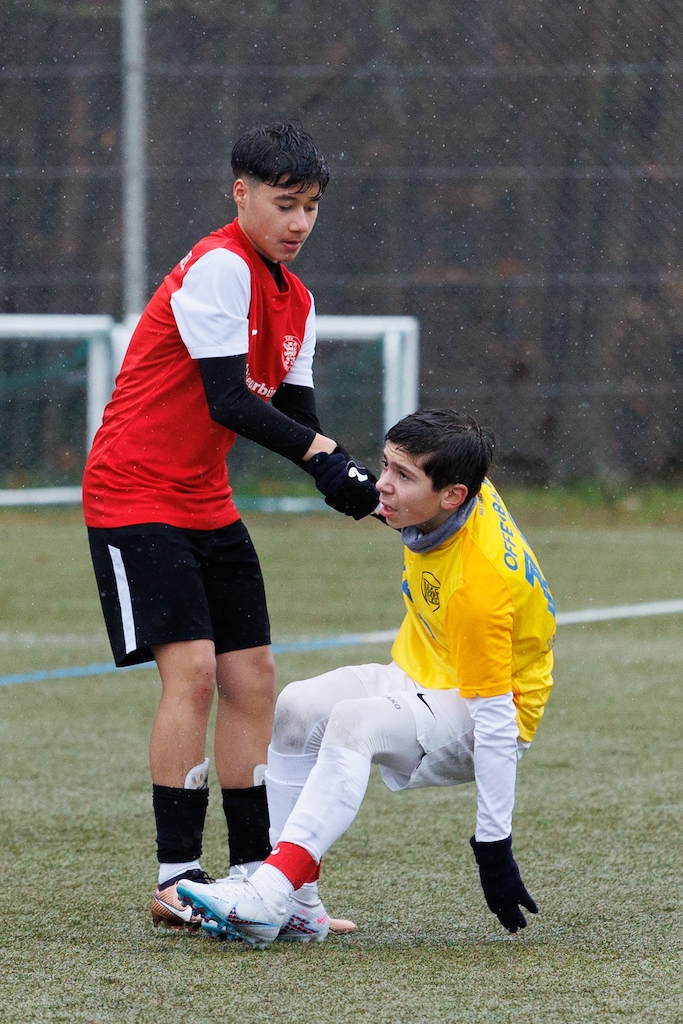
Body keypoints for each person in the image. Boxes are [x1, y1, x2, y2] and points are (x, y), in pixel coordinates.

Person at [82, 122, 378, 936]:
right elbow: (228, 401)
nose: (298, 222)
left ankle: (255, 879)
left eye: (310, 206)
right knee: (194, 676)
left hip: (205, 499)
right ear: (240, 193)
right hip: (133, 491)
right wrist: (324, 458)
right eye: (284, 204)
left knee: (254, 676)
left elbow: (297, 417)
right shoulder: (220, 266)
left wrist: (363, 482)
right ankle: (176, 878)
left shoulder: (297, 300)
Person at [178, 409, 556, 947]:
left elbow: (496, 723)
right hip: (425, 674)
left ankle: (268, 891)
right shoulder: (460, 487)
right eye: (386, 466)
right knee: (297, 705)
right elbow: (403, 495)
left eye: (403, 476)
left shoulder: (479, 587)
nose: (383, 484)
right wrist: (343, 474)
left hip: (485, 716)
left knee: (355, 723)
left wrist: (494, 846)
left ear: (453, 495)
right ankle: (298, 908)